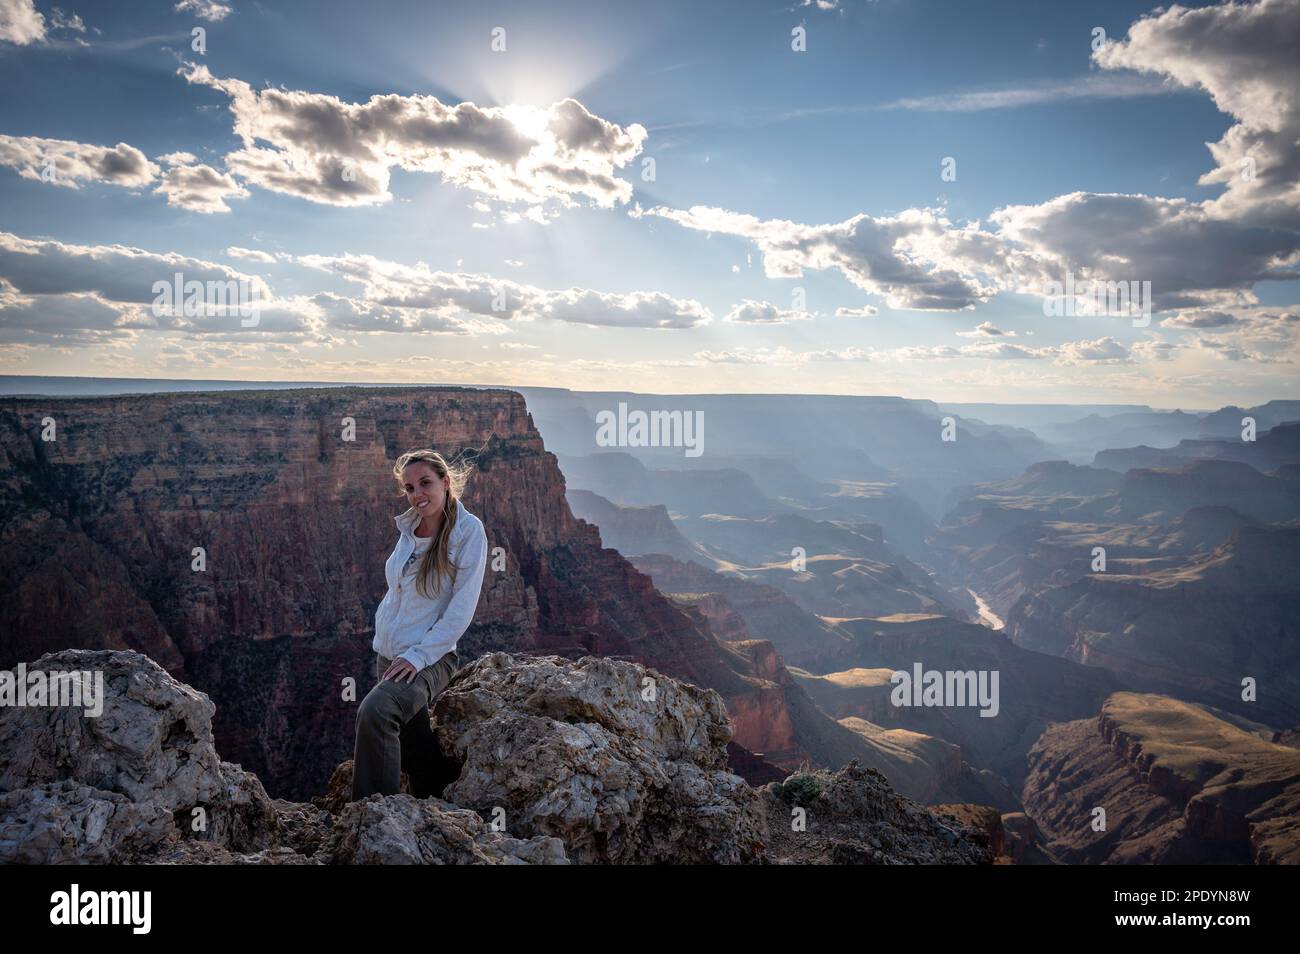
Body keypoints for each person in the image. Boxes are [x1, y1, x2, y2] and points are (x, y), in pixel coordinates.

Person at [351, 448, 488, 801]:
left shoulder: (468, 532)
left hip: (430, 658)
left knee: (376, 712)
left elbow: (461, 610)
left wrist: (419, 656)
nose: (418, 494)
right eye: (410, 488)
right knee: (416, 748)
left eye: (425, 483)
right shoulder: (409, 527)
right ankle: (442, 803)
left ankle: (372, 815)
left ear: (445, 481)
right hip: (390, 654)